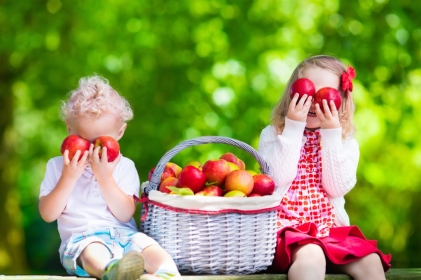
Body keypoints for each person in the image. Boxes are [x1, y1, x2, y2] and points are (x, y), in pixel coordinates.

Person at [258, 55, 391, 280]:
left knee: (371, 261)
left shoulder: (345, 142)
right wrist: (293, 126)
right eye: (306, 93)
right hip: (284, 229)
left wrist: (331, 134)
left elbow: (337, 187)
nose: (313, 102)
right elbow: (277, 178)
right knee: (312, 256)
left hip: (328, 230)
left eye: (324, 95)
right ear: (292, 92)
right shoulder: (274, 134)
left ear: (341, 100)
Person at [39, 75, 181, 280]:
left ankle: (166, 273)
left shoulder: (124, 166)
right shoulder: (58, 166)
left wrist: (105, 178)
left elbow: (125, 214)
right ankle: (111, 271)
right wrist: (68, 178)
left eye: (100, 142)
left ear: (120, 132)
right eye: (82, 140)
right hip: (83, 240)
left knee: (149, 246)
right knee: (92, 252)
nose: (90, 150)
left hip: (125, 236)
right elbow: (48, 214)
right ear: (69, 129)